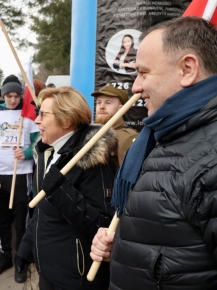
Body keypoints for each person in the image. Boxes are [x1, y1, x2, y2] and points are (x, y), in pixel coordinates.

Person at [90, 17, 217, 289]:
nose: (135, 86)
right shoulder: (162, 138)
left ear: (187, 69)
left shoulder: (211, 157)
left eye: (143, 73)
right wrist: (125, 246)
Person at [16, 86, 117, 290]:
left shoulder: (93, 160)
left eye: (43, 115)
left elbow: (104, 225)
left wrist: (61, 191)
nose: (37, 121)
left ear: (66, 120)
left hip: (75, 277)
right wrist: (27, 247)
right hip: (48, 270)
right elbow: (40, 210)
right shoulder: (48, 152)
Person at [0, 75, 40, 283]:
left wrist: (25, 153)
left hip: (21, 175)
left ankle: (21, 259)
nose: (13, 100)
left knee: (21, 222)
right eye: (9, 95)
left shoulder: (29, 114)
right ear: (3, 95)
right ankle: (5, 256)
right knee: (2, 221)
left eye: (16, 96)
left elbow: (38, 142)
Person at [91, 84, 138, 165]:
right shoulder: (87, 132)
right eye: (98, 102)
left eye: (108, 103)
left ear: (121, 108)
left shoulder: (128, 137)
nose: (101, 106)